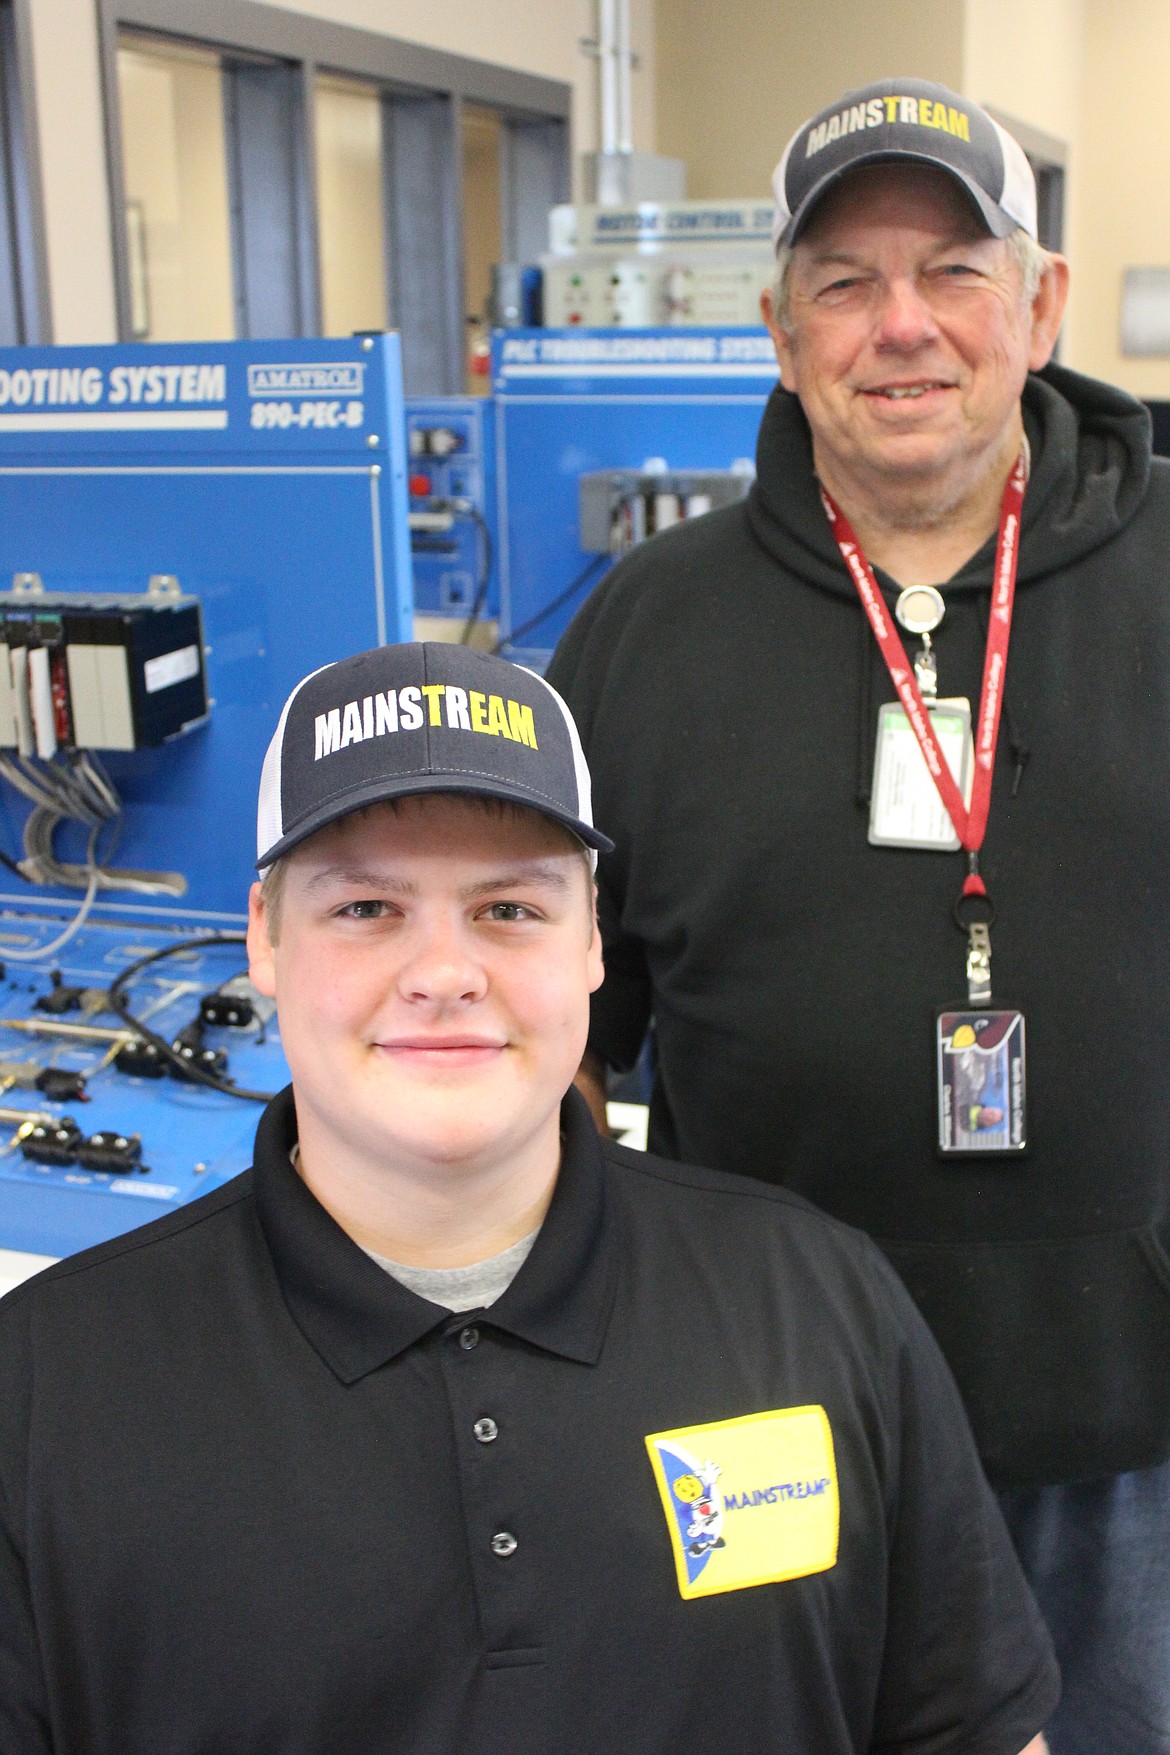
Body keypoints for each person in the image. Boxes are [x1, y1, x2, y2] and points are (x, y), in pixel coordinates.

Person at [0, 641, 1055, 1754]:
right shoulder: (44, 1390)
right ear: (263, 935)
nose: (446, 971)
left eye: (508, 909)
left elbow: (969, 1730)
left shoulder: (818, 1301)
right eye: (365, 907)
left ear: (595, 937)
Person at [547, 76, 1170, 1755]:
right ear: (777, 327)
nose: (902, 325)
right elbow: (563, 1040)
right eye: (843, 280)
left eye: (954, 270)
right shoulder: (645, 632)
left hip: (1127, 1441)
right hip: (758, 1423)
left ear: (1039, 304)